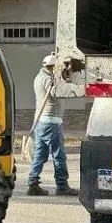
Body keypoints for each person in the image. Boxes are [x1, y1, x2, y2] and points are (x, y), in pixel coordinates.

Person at [27, 53, 78, 197]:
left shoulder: (38, 77)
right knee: (59, 155)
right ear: (53, 67)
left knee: (40, 155)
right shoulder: (48, 79)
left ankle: (33, 184)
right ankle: (62, 186)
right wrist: (62, 79)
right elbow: (56, 92)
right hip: (51, 122)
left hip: (41, 122)